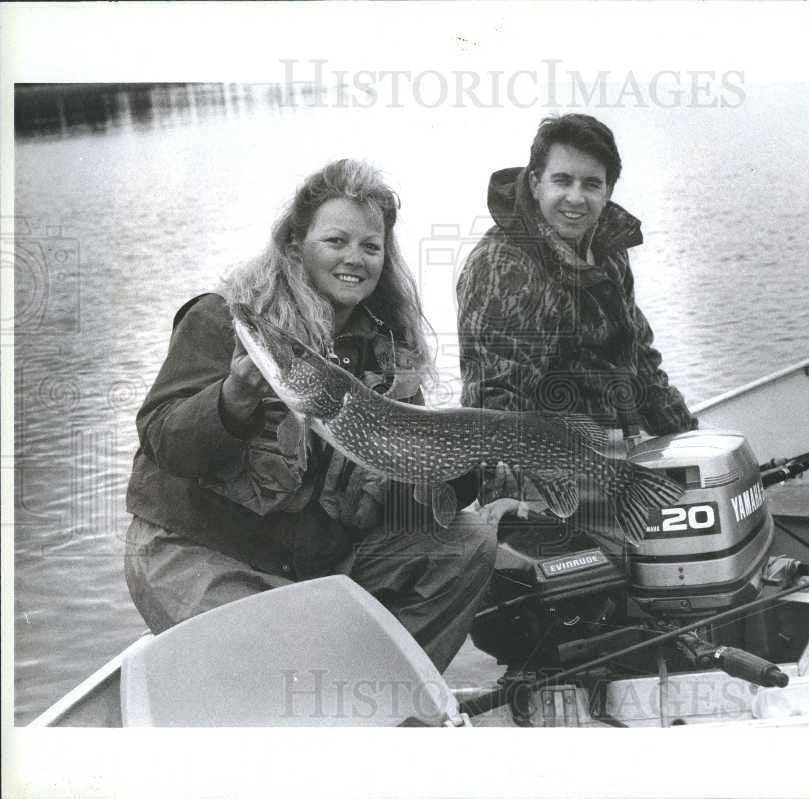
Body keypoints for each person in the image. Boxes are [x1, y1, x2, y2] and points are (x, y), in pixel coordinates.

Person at [125, 159, 497, 672]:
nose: (356, 258)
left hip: (311, 559)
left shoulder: (385, 351)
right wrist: (232, 398)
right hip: (199, 549)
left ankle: (379, 706)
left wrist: (461, 475)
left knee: (465, 543)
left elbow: (401, 495)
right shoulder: (227, 318)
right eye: (336, 241)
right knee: (280, 672)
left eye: (371, 246)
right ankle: (310, 702)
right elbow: (162, 437)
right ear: (296, 245)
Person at [456, 114, 698, 538]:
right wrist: (503, 497)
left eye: (591, 184)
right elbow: (495, 403)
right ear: (535, 183)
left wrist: (689, 438)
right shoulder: (504, 265)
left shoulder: (605, 247)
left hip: (619, 455)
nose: (575, 197)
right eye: (562, 180)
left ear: (608, 190)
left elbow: (639, 358)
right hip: (547, 475)